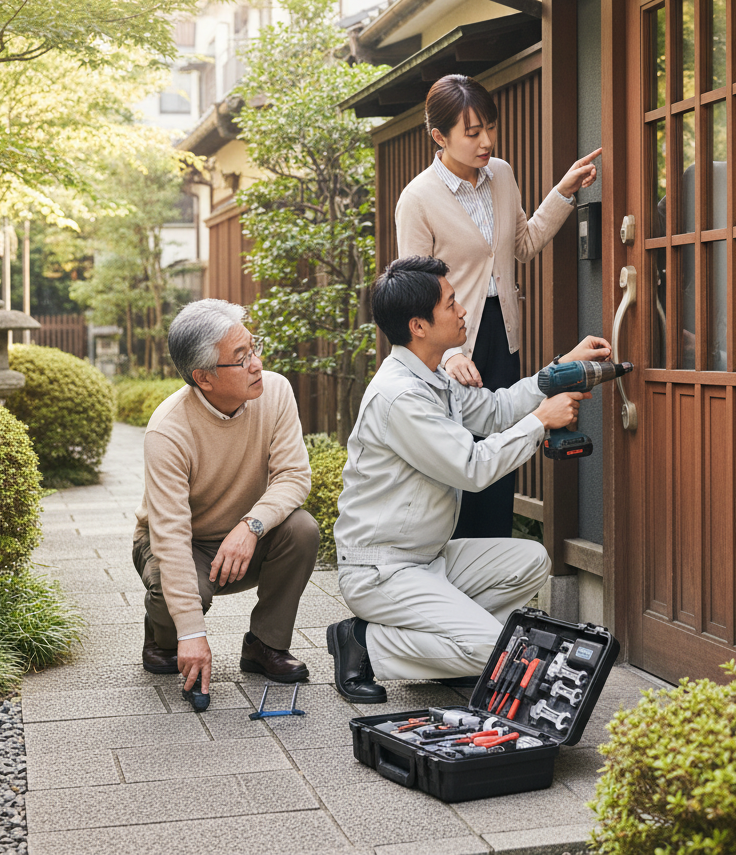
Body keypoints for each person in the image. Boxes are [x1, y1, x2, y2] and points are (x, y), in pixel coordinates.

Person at [325, 256, 611, 703]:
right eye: (452, 303)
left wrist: (558, 371)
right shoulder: (400, 396)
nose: (463, 311)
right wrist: (540, 421)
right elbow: (472, 468)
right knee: (494, 651)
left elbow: (495, 411)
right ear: (418, 326)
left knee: (531, 560)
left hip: (427, 558)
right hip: (382, 569)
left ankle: (451, 650)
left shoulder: (434, 376)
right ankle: (363, 642)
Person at [395, 73, 606, 539]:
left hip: (502, 332)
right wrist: (448, 355)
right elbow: (413, 288)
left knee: (503, 454)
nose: (486, 141)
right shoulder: (418, 199)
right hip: (451, 346)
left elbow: (524, 245)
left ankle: (492, 567)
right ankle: (452, 578)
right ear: (439, 137)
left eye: (489, 127)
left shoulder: (502, 175)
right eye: (472, 133)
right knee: (461, 465)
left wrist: (564, 192)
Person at [132, 299, 319, 710]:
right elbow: (171, 537)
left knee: (302, 529)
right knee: (178, 591)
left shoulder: (276, 391)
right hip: (183, 545)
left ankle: (264, 644)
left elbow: (294, 476)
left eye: (253, 348)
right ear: (204, 377)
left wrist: (251, 526)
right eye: (241, 358)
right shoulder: (168, 431)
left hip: (244, 537)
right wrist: (191, 635)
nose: (257, 363)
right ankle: (161, 634)